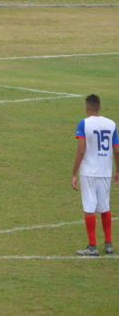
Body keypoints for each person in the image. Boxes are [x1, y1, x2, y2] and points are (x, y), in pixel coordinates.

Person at [71, 94, 118, 256]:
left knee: (89, 207)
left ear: (87, 108)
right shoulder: (111, 124)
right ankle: (109, 244)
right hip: (105, 172)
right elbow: (117, 150)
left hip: (89, 172)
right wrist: (117, 171)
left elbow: (81, 151)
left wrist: (74, 173)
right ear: (99, 107)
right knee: (105, 207)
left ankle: (92, 247)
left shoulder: (84, 124)